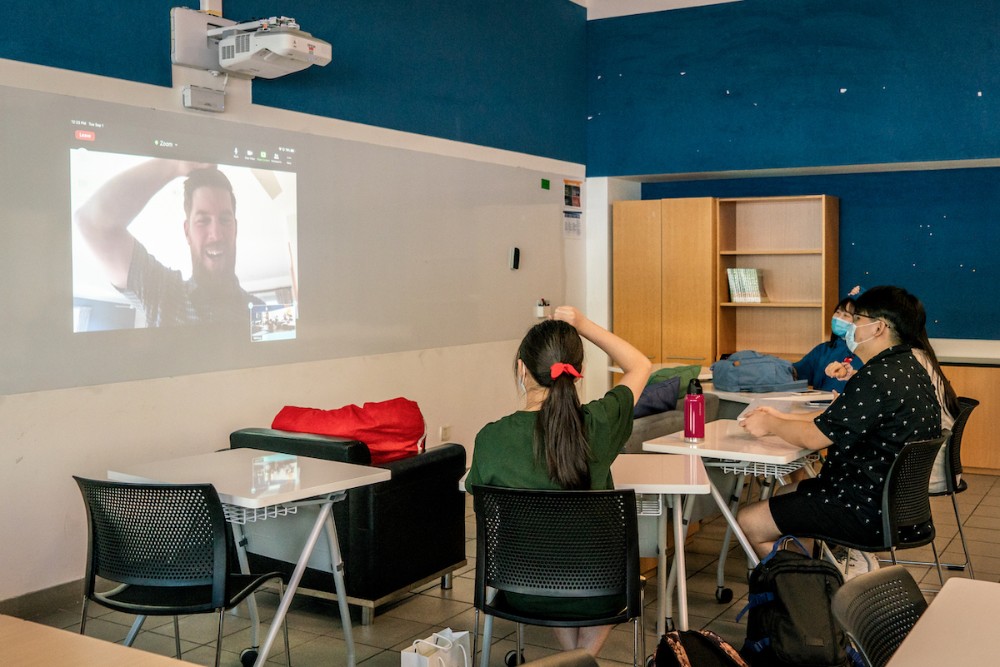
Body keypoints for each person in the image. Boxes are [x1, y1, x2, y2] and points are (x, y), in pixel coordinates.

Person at [465, 305, 651, 656]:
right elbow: (640, 365)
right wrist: (583, 325)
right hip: (603, 591)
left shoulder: (491, 438)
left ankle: (572, 660)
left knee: (550, 559)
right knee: (606, 572)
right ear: (578, 372)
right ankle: (583, 659)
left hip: (523, 590)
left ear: (522, 369)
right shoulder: (600, 423)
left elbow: (474, 492)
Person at [736, 286, 942, 559]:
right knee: (787, 491)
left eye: (857, 320)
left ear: (878, 328)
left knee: (750, 520)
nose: (850, 327)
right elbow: (836, 418)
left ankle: (806, 584)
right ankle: (810, 575)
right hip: (895, 505)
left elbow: (814, 437)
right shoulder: (909, 369)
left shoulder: (877, 377)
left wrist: (770, 425)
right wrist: (777, 417)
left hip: (863, 508)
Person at [74, 158, 263, 327]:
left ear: (235, 229)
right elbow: (92, 223)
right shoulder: (161, 293)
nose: (216, 234)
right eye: (203, 221)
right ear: (187, 232)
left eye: (225, 220)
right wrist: (175, 164)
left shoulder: (262, 312)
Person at [792, 288, 864, 393]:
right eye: (837, 313)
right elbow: (797, 373)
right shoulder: (823, 349)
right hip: (819, 406)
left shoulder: (864, 353)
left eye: (846, 315)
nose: (839, 318)